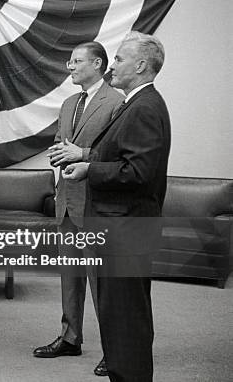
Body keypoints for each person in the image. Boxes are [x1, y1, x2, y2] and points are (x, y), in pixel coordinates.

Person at [63, 31, 171, 381]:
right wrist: (92, 161)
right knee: (121, 318)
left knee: (126, 320)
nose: (114, 65)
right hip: (118, 228)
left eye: (121, 59)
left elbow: (138, 171)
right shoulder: (135, 103)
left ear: (141, 65)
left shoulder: (144, 107)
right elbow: (123, 156)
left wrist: (90, 168)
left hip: (124, 232)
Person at [37, 42, 123, 377]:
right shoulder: (68, 102)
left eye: (76, 61)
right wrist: (58, 152)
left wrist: (81, 153)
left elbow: (118, 155)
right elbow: (63, 142)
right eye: (69, 61)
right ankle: (70, 337)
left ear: (97, 63)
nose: (69, 66)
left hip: (97, 204)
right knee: (70, 278)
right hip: (67, 202)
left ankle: (114, 350)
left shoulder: (117, 102)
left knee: (101, 283)